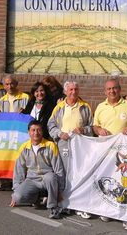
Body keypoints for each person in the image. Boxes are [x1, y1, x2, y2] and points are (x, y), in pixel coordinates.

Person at [93, 77, 127, 230]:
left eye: (114, 88)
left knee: (125, 182)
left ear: (119, 89)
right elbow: (95, 126)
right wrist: (98, 130)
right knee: (108, 180)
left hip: (125, 154)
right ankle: (108, 210)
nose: (112, 91)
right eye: (109, 89)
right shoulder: (101, 107)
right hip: (107, 151)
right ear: (105, 91)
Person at [48, 80, 93, 219]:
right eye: (71, 90)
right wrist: (59, 134)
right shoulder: (59, 107)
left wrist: (83, 129)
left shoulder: (85, 107)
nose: (73, 92)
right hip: (63, 144)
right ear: (65, 92)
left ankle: (78, 203)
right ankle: (64, 202)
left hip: (80, 145)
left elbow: (92, 126)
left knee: (79, 172)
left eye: (76, 89)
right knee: (64, 173)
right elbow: (51, 125)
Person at [10, 121, 65, 219]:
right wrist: (16, 190)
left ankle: (53, 207)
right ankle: (38, 197)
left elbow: (58, 169)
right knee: (18, 197)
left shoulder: (50, 145)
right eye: (33, 130)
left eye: (39, 130)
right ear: (29, 132)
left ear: (42, 132)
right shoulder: (24, 147)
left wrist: (60, 191)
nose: (36, 133)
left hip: (46, 178)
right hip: (32, 180)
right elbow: (19, 170)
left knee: (51, 177)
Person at [0, 75, 29, 190]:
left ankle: (20, 182)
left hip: (21, 134)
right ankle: (8, 181)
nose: (10, 86)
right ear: (4, 86)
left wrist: (25, 111)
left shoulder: (25, 97)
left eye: (12, 83)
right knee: (8, 157)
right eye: (7, 84)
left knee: (20, 158)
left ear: (16, 84)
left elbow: (30, 114)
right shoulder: (2, 100)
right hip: (8, 135)